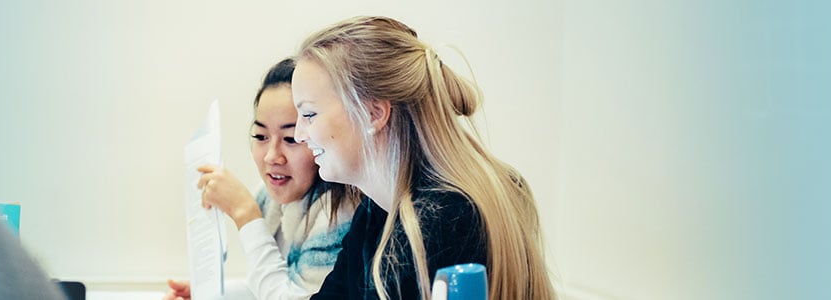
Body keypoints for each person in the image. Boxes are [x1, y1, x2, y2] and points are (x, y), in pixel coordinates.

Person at [289, 16, 554, 299]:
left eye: (308, 115)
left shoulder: (446, 222)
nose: (299, 133)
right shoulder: (376, 215)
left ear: (373, 114)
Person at [165, 58, 360, 300]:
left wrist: (245, 214)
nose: (271, 156)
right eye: (260, 135)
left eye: (291, 139)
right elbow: (267, 286)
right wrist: (212, 295)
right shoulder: (272, 196)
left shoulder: (339, 211)